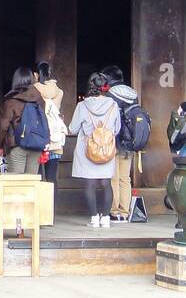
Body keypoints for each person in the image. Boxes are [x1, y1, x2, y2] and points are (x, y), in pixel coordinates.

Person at [69, 72, 120, 228]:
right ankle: (105, 218)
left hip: (87, 149)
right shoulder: (113, 105)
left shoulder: (82, 106)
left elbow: (73, 128)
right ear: (104, 87)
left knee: (90, 183)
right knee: (106, 183)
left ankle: (94, 218)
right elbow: (117, 129)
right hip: (106, 148)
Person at [101, 65, 137, 222]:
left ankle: (114, 211)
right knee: (125, 178)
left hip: (115, 140)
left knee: (113, 177)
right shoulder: (132, 94)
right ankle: (125, 212)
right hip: (130, 141)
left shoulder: (110, 95)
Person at [0, 67, 46, 175]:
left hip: (17, 146)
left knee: (16, 184)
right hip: (36, 145)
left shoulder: (11, 101)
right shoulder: (40, 99)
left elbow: (3, 126)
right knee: (31, 184)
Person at [34, 62, 66, 200]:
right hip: (55, 138)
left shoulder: (34, 89)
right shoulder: (59, 91)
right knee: (52, 178)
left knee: (36, 177)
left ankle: (39, 212)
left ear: (36, 74)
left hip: (38, 137)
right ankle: (51, 212)